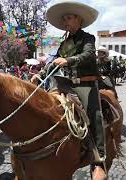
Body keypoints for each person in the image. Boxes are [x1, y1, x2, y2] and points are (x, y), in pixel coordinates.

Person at [31, 2, 107, 179]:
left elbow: (88, 55)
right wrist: (39, 74)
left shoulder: (88, 38)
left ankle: (99, 160)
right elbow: (53, 62)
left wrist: (69, 60)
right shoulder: (64, 43)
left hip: (86, 85)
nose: (66, 20)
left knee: (94, 114)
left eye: (69, 17)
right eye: (64, 18)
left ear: (78, 19)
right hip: (67, 84)